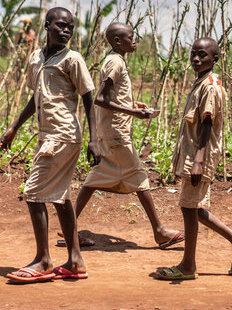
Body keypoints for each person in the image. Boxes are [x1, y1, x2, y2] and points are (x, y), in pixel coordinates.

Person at [0, 7, 100, 283]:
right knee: (61, 197)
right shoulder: (36, 58)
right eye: (60, 26)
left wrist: (94, 139)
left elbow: (88, 98)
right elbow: (36, 97)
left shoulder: (73, 59)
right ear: (46, 25)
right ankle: (76, 260)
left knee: (33, 192)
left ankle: (43, 260)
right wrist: (14, 127)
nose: (66, 31)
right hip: (48, 135)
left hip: (64, 135)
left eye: (70, 27)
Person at [65, 22, 184, 249]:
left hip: (113, 131)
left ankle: (69, 225)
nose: (135, 40)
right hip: (117, 133)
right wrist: (134, 112)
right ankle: (159, 231)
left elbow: (112, 97)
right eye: (131, 37)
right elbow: (100, 98)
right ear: (118, 41)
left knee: (96, 178)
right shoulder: (115, 62)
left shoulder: (116, 60)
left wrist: (132, 104)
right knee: (139, 176)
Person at [155, 37, 232, 281]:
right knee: (193, 206)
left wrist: (198, 160)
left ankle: (188, 265)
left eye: (203, 55)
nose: (196, 59)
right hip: (195, 153)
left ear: (215, 59)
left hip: (200, 154)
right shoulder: (200, 82)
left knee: (189, 206)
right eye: (193, 54)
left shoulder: (210, 86)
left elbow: (207, 124)